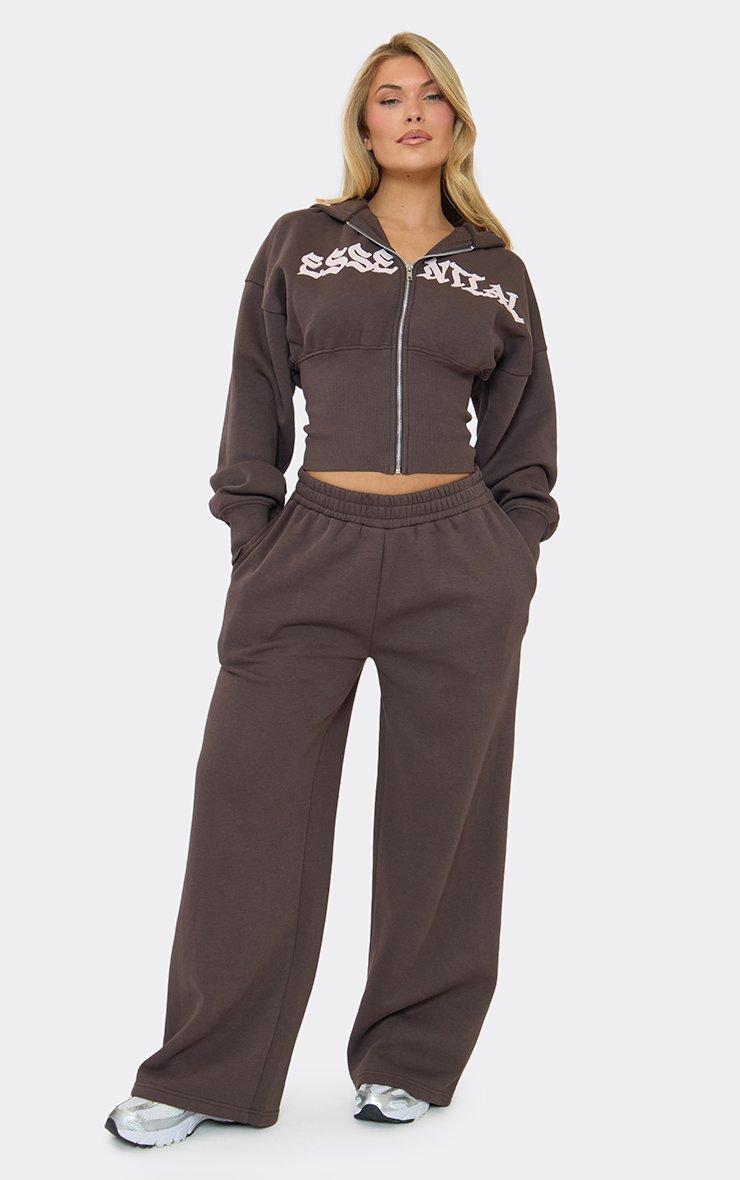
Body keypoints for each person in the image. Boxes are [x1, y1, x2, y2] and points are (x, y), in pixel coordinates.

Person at [106, 30, 559, 1148]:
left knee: (444, 818)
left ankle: (410, 1058)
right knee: (246, 805)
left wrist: (511, 554)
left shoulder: (495, 268)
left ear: (456, 121)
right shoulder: (302, 243)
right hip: (309, 546)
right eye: (389, 98)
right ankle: (207, 1070)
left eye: (431, 97)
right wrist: (251, 534)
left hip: (458, 557)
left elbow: (524, 439)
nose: (411, 114)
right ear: (363, 123)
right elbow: (256, 389)